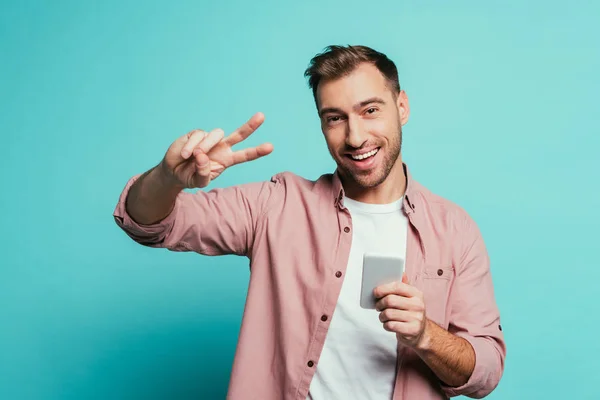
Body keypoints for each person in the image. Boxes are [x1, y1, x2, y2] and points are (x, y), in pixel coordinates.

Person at [113, 45, 506, 399]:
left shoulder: (455, 230)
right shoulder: (277, 205)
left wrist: (426, 335)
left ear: (401, 106)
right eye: (335, 118)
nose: (355, 137)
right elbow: (152, 223)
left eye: (370, 110)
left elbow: (486, 370)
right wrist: (167, 179)